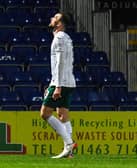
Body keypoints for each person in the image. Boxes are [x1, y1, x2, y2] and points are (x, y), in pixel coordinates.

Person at [40, 12, 76, 159]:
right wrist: (52, 84)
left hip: (62, 83)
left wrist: (57, 86)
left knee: (45, 113)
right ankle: (70, 153)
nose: (51, 18)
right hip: (68, 81)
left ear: (59, 24)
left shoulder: (60, 39)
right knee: (63, 115)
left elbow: (60, 63)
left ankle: (69, 143)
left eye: (55, 17)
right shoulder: (66, 38)